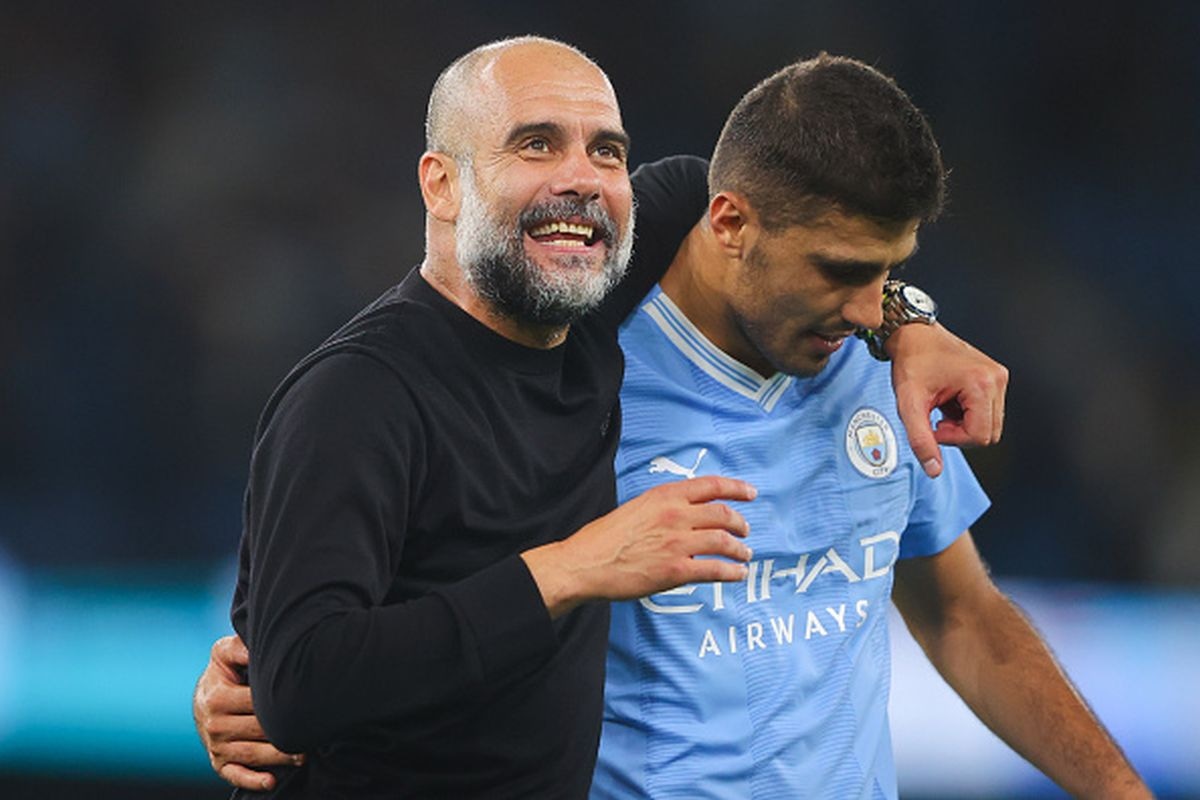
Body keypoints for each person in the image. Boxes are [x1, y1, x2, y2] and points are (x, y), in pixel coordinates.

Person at [196, 39, 1013, 798]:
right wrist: (574, 567)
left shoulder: (582, 314)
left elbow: (746, 199)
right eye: (536, 144)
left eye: (608, 151)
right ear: (442, 184)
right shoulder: (357, 396)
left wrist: (907, 321)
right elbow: (302, 682)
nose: (583, 178)